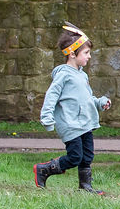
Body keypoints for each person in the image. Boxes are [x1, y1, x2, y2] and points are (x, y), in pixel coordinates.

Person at [34, 22, 111, 194]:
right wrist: (46, 117)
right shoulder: (63, 75)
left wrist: (100, 103)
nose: (89, 56)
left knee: (87, 156)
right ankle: (43, 169)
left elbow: (87, 98)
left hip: (85, 123)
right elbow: (51, 95)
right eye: (86, 53)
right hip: (70, 124)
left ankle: (85, 186)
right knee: (75, 156)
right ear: (71, 54)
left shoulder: (82, 75)